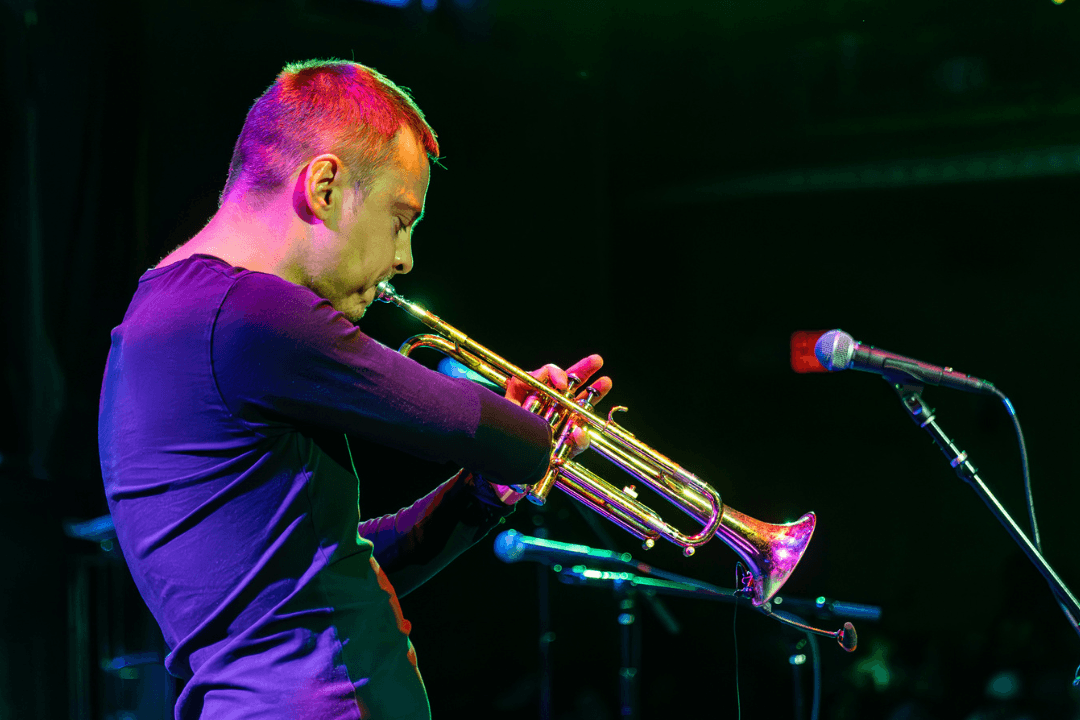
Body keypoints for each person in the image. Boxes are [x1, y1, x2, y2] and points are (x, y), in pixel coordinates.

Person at [98, 59, 610, 720]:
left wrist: (480, 495)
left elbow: (330, 573)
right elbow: (488, 431)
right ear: (326, 185)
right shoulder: (248, 311)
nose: (404, 259)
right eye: (401, 220)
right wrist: (539, 425)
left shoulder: (153, 321)